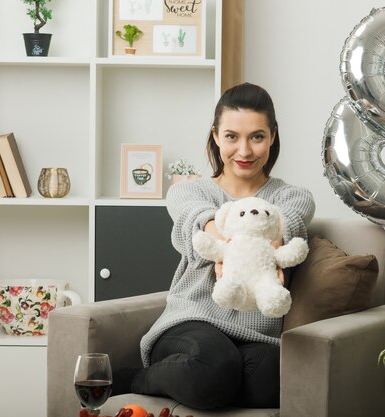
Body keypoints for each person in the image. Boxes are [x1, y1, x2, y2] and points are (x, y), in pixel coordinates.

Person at [122, 83, 315, 410]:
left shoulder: (291, 196)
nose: (244, 151)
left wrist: (270, 240)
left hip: (256, 337)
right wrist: (222, 240)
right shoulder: (190, 191)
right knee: (214, 368)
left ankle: (209, 385)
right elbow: (196, 218)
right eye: (231, 137)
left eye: (257, 137)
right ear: (215, 136)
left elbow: (290, 222)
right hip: (192, 323)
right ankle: (135, 379)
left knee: (269, 381)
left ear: (273, 137)